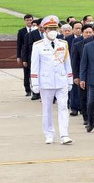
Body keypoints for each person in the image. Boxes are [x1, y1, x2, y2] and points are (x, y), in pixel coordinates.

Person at [30, 15, 72, 145]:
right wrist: (35, 83)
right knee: (47, 109)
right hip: (46, 82)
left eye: (55, 28)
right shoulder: (38, 45)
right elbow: (35, 65)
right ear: (44, 29)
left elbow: (67, 63)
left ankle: (64, 134)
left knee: (63, 108)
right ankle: (49, 134)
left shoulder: (63, 44)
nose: (53, 31)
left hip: (61, 81)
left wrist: (69, 79)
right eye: (50, 28)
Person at [22, 18, 43, 100]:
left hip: (45, 60)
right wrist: (24, 59)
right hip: (33, 58)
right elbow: (26, 48)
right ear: (37, 26)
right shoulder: (31, 34)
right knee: (34, 75)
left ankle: (42, 93)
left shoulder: (48, 34)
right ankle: (35, 92)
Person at [16, 14, 35, 96]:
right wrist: (18, 56)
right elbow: (19, 45)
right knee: (26, 73)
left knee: (34, 73)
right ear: (25, 21)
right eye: (27, 20)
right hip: (26, 55)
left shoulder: (35, 31)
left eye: (30, 20)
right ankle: (27, 89)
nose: (29, 22)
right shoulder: (21, 31)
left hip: (34, 54)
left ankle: (35, 90)